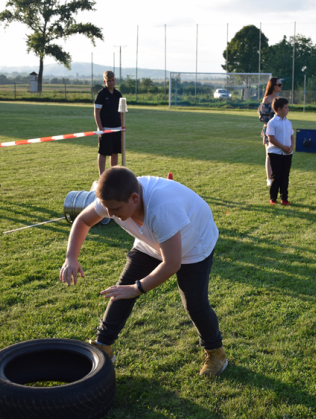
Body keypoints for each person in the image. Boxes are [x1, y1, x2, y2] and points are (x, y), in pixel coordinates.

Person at [59, 166, 227, 377]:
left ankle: (215, 352)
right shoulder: (114, 198)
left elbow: (172, 263)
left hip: (194, 243)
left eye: (115, 209)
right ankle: (103, 345)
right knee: (120, 291)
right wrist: (71, 257)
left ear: (134, 198)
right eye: (106, 208)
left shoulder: (162, 208)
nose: (109, 214)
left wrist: (137, 288)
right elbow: (83, 220)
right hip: (152, 241)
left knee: (194, 304)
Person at [266, 98, 294, 205]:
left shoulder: (288, 123)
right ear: (279, 109)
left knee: (285, 176)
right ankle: (273, 198)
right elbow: (271, 138)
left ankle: (284, 198)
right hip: (275, 153)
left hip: (287, 154)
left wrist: (291, 147)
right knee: (276, 176)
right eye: (286, 108)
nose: (288, 110)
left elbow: (292, 136)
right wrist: (282, 147)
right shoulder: (272, 123)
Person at [94, 70, 122, 176]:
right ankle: (102, 176)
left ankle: (112, 176)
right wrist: (100, 128)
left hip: (117, 128)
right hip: (105, 128)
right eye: (108, 81)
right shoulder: (101, 94)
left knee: (115, 152)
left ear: (115, 80)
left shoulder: (118, 94)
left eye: (112, 80)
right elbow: (96, 112)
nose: (111, 83)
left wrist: (122, 126)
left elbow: (121, 112)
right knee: (103, 152)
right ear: (104, 81)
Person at [258, 77, 282, 187]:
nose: (281, 86)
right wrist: (272, 124)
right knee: (269, 154)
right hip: (269, 130)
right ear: (273, 86)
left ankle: (277, 177)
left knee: (278, 155)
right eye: (279, 84)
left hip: (279, 131)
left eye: (281, 84)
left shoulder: (279, 99)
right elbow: (262, 116)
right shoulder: (267, 99)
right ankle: (269, 179)